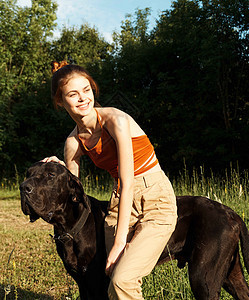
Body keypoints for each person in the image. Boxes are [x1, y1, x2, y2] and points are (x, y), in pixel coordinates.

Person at [42, 61, 177, 300]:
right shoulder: (73, 143)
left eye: (87, 90)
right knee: (108, 279)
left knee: (123, 279)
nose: (83, 98)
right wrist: (57, 168)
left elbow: (128, 183)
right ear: (60, 101)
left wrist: (119, 243)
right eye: (73, 94)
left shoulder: (116, 121)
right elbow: (75, 189)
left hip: (154, 196)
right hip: (120, 203)